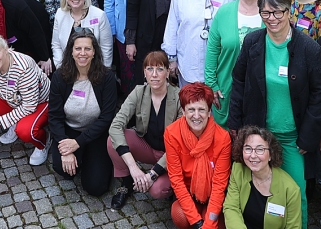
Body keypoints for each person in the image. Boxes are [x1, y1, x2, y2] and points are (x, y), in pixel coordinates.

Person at [226, 0, 321, 224]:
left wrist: (308, 138)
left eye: (277, 12)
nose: (272, 19)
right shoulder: (253, 42)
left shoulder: (308, 48)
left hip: (293, 138)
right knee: (256, 190)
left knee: (296, 192)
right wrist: (236, 124)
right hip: (259, 134)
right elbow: (239, 81)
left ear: (289, 11)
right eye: (266, 13)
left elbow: (319, 95)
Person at [47, 29, 119, 196]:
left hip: (97, 132)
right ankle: (78, 157)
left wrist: (78, 143)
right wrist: (66, 146)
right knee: (63, 170)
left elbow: (107, 118)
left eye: (87, 49)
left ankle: (93, 158)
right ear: (71, 51)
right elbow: (55, 117)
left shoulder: (107, 78)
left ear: (94, 52)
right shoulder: (59, 77)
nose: (82, 53)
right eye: (78, 48)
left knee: (96, 187)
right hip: (69, 130)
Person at [106, 50, 180, 209]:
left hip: (172, 155)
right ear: (144, 73)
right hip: (146, 147)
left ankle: (175, 189)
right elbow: (115, 126)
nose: (154, 74)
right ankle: (127, 181)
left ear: (168, 73)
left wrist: (152, 174)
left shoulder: (179, 96)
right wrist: (133, 168)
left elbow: (180, 143)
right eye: (149, 69)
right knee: (112, 140)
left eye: (160, 69)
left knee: (157, 190)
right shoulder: (139, 92)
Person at [0, 34, 51, 166]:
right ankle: (13, 120)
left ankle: (43, 143)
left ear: (6, 49)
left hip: (40, 101)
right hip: (11, 99)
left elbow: (29, 106)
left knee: (25, 131)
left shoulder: (23, 67)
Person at [204, 0, 266, 126]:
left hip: (262, 90)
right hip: (226, 88)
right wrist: (211, 84)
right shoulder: (224, 13)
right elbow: (212, 51)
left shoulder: (269, 13)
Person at [164, 82, 232, 229]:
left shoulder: (223, 138)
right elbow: (176, 179)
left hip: (214, 195)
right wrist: (197, 222)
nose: (196, 116)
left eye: (201, 109)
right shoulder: (172, 133)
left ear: (209, 112)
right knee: (180, 216)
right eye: (191, 110)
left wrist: (208, 224)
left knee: (218, 224)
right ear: (183, 111)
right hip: (189, 193)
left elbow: (220, 185)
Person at [223, 126, 303, 229]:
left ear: (270, 154)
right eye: (248, 149)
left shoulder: (291, 190)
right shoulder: (238, 170)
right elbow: (231, 207)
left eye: (260, 149)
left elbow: (293, 227)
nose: (253, 155)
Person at [50, 0, 114, 69]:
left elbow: (106, 47)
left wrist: (104, 71)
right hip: (67, 69)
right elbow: (56, 45)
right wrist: (60, 68)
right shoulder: (60, 14)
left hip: (95, 69)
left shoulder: (99, 15)